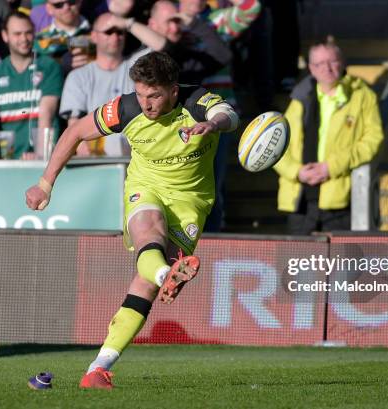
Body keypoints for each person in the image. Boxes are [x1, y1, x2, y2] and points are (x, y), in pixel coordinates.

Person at [25, 51, 238, 389]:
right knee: (148, 232)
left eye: (153, 95)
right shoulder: (125, 109)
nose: (146, 104)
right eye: (140, 94)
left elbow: (227, 113)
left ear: (172, 89)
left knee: (146, 285)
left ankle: (98, 368)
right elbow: (75, 132)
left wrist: (213, 124)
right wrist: (45, 183)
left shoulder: (197, 101)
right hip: (146, 186)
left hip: (190, 201)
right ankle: (168, 272)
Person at [273, 40, 384, 234]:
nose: (327, 68)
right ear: (311, 69)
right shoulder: (299, 98)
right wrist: (297, 172)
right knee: (296, 263)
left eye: (332, 62)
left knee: (342, 263)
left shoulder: (362, 96)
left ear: (342, 63)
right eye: (319, 64)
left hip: (339, 198)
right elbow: (275, 146)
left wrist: (331, 167)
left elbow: (373, 140)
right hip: (300, 199)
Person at [178, 0, 261, 232]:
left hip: (218, 115)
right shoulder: (168, 20)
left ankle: (212, 237)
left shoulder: (216, 21)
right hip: (181, 118)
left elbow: (251, 6)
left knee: (213, 185)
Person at [59, 12, 146, 156]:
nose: (115, 37)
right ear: (94, 36)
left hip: (136, 159)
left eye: (120, 32)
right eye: (108, 32)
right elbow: (74, 129)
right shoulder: (78, 76)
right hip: (96, 161)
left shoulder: (139, 67)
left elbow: (163, 46)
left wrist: (128, 23)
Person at [0, 11, 63, 160]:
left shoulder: (49, 67)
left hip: (39, 157)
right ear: (5, 36)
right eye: (17, 34)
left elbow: (47, 114)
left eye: (28, 33)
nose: (24, 39)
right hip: (6, 160)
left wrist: (41, 155)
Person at [108, 0, 232, 85]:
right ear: (152, 24)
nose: (175, 28)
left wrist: (194, 24)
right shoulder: (134, 54)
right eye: (169, 22)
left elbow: (223, 56)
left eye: (177, 21)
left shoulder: (184, 57)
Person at [34, 0, 91, 75]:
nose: (66, 7)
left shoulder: (101, 34)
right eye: (59, 5)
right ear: (49, 8)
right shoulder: (39, 40)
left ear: (79, 2)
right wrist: (61, 65)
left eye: (71, 2)